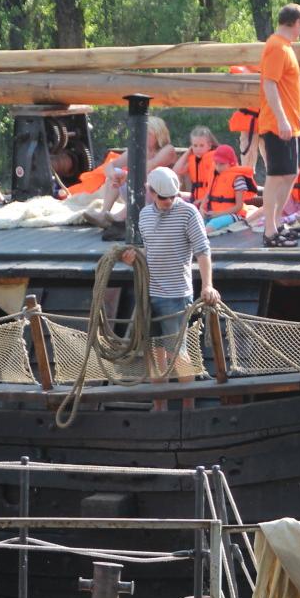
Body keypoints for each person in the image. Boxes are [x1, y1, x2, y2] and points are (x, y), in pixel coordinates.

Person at [119, 167, 220, 408]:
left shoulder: (188, 213)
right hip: (150, 294)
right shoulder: (144, 215)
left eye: (173, 196)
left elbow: (202, 251)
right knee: (155, 354)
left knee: (178, 353)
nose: (168, 201)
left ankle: (189, 411)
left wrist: (208, 285)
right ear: (152, 192)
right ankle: (159, 409)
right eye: (164, 197)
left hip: (176, 296)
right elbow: (150, 250)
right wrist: (133, 257)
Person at [256, 3, 300, 248]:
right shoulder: (276, 46)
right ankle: (269, 231)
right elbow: (269, 84)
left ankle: (277, 223)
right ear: (297, 23)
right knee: (276, 176)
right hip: (277, 124)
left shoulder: (286, 47)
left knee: (290, 173)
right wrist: (281, 119)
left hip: (291, 124)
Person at [202, 145, 257, 234]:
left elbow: (238, 206)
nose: (218, 167)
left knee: (211, 225)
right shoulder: (215, 176)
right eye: (216, 163)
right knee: (196, 222)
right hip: (213, 213)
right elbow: (207, 195)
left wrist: (218, 214)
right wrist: (201, 209)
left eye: (222, 164)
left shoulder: (238, 178)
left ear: (231, 163)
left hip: (234, 214)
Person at [226, 65, 264, 170]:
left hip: (267, 120)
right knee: (247, 158)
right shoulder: (241, 70)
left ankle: (273, 180)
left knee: (271, 157)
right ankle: (247, 177)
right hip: (249, 121)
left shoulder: (272, 67)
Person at [173, 126, 220, 206]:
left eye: (201, 145)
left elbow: (218, 187)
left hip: (212, 202)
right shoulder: (194, 160)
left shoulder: (216, 161)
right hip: (195, 200)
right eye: (195, 145)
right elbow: (176, 170)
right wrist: (188, 152)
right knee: (176, 197)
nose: (198, 149)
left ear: (209, 146)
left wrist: (202, 200)